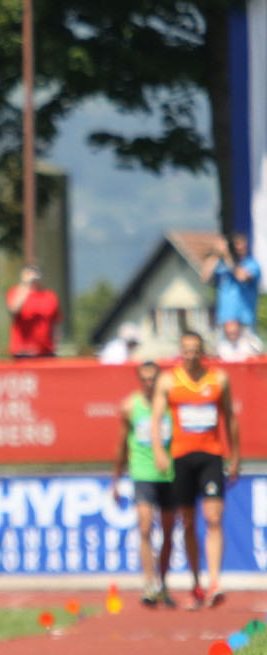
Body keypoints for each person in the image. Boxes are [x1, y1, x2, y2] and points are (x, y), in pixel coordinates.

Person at [150, 331, 239, 609]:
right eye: (186, 350)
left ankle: (215, 583)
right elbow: (155, 419)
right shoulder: (168, 381)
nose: (190, 355)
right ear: (181, 352)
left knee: (213, 517)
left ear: (203, 352)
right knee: (187, 522)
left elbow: (230, 418)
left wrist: (235, 455)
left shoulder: (218, 379)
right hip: (181, 458)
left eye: (195, 350)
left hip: (211, 456)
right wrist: (159, 451)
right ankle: (196, 583)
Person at [111, 361, 176, 607]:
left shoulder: (170, 405)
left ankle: (163, 583)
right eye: (145, 379)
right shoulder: (130, 406)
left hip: (169, 474)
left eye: (153, 379)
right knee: (145, 528)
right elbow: (121, 445)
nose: (149, 383)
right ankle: (149, 584)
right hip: (142, 473)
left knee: (168, 532)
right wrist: (116, 480)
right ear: (139, 380)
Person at [201, 231, 261, 333]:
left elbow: (241, 277)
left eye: (242, 248)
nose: (240, 251)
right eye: (236, 249)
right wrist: (216, 253)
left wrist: (227, 255)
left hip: (244, 321)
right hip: (225, 321)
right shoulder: (222, 264)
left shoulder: (252, 264)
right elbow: (204, 277)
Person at [6, 265, 61, 357]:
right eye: (30, 272)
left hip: (46, 351)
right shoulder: (15, 292)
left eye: (36, 272)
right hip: (23, 351)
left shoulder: (50, 296)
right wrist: (26, 285)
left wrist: (56, 345)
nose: (33, 275)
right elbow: (13, 310)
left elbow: (56, 323)